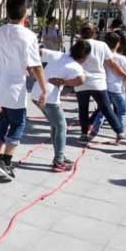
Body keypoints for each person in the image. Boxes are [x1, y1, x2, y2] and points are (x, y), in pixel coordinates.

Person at [0, 0, 47, 179]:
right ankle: (6, 161)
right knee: (18, 123)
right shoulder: (28, 35)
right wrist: (44, 89)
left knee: (2, 121)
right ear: (25, 14)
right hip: (14, 85)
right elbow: (35, 65)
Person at [74, 23, 126, 144]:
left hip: (80, 81)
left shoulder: (77, 45)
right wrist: (125, 75)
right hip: (98, 82)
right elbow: (112, 63)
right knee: (106, 108)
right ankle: (119, 132)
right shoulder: (101, 45)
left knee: (83, 109)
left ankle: (84, 134)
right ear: (95, 33)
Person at [35, 43, 86, 171]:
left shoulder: (58, 55)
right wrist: (64, 82)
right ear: (84, 56)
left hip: (37, 93)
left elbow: (39, 51)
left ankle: (60, 155)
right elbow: (81, 80)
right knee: (61, 126)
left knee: (55, 126)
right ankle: (58, 161)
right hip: (49, 98)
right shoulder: (76, 67)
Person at [88, 31, 126, 140]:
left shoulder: (103, 57)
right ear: (118, 43)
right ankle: (120, 132)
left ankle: (93, 131)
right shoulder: (121, 58)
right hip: (117, 89)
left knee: (102, 111)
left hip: (105, 87)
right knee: (123, 112)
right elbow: (125, 71)